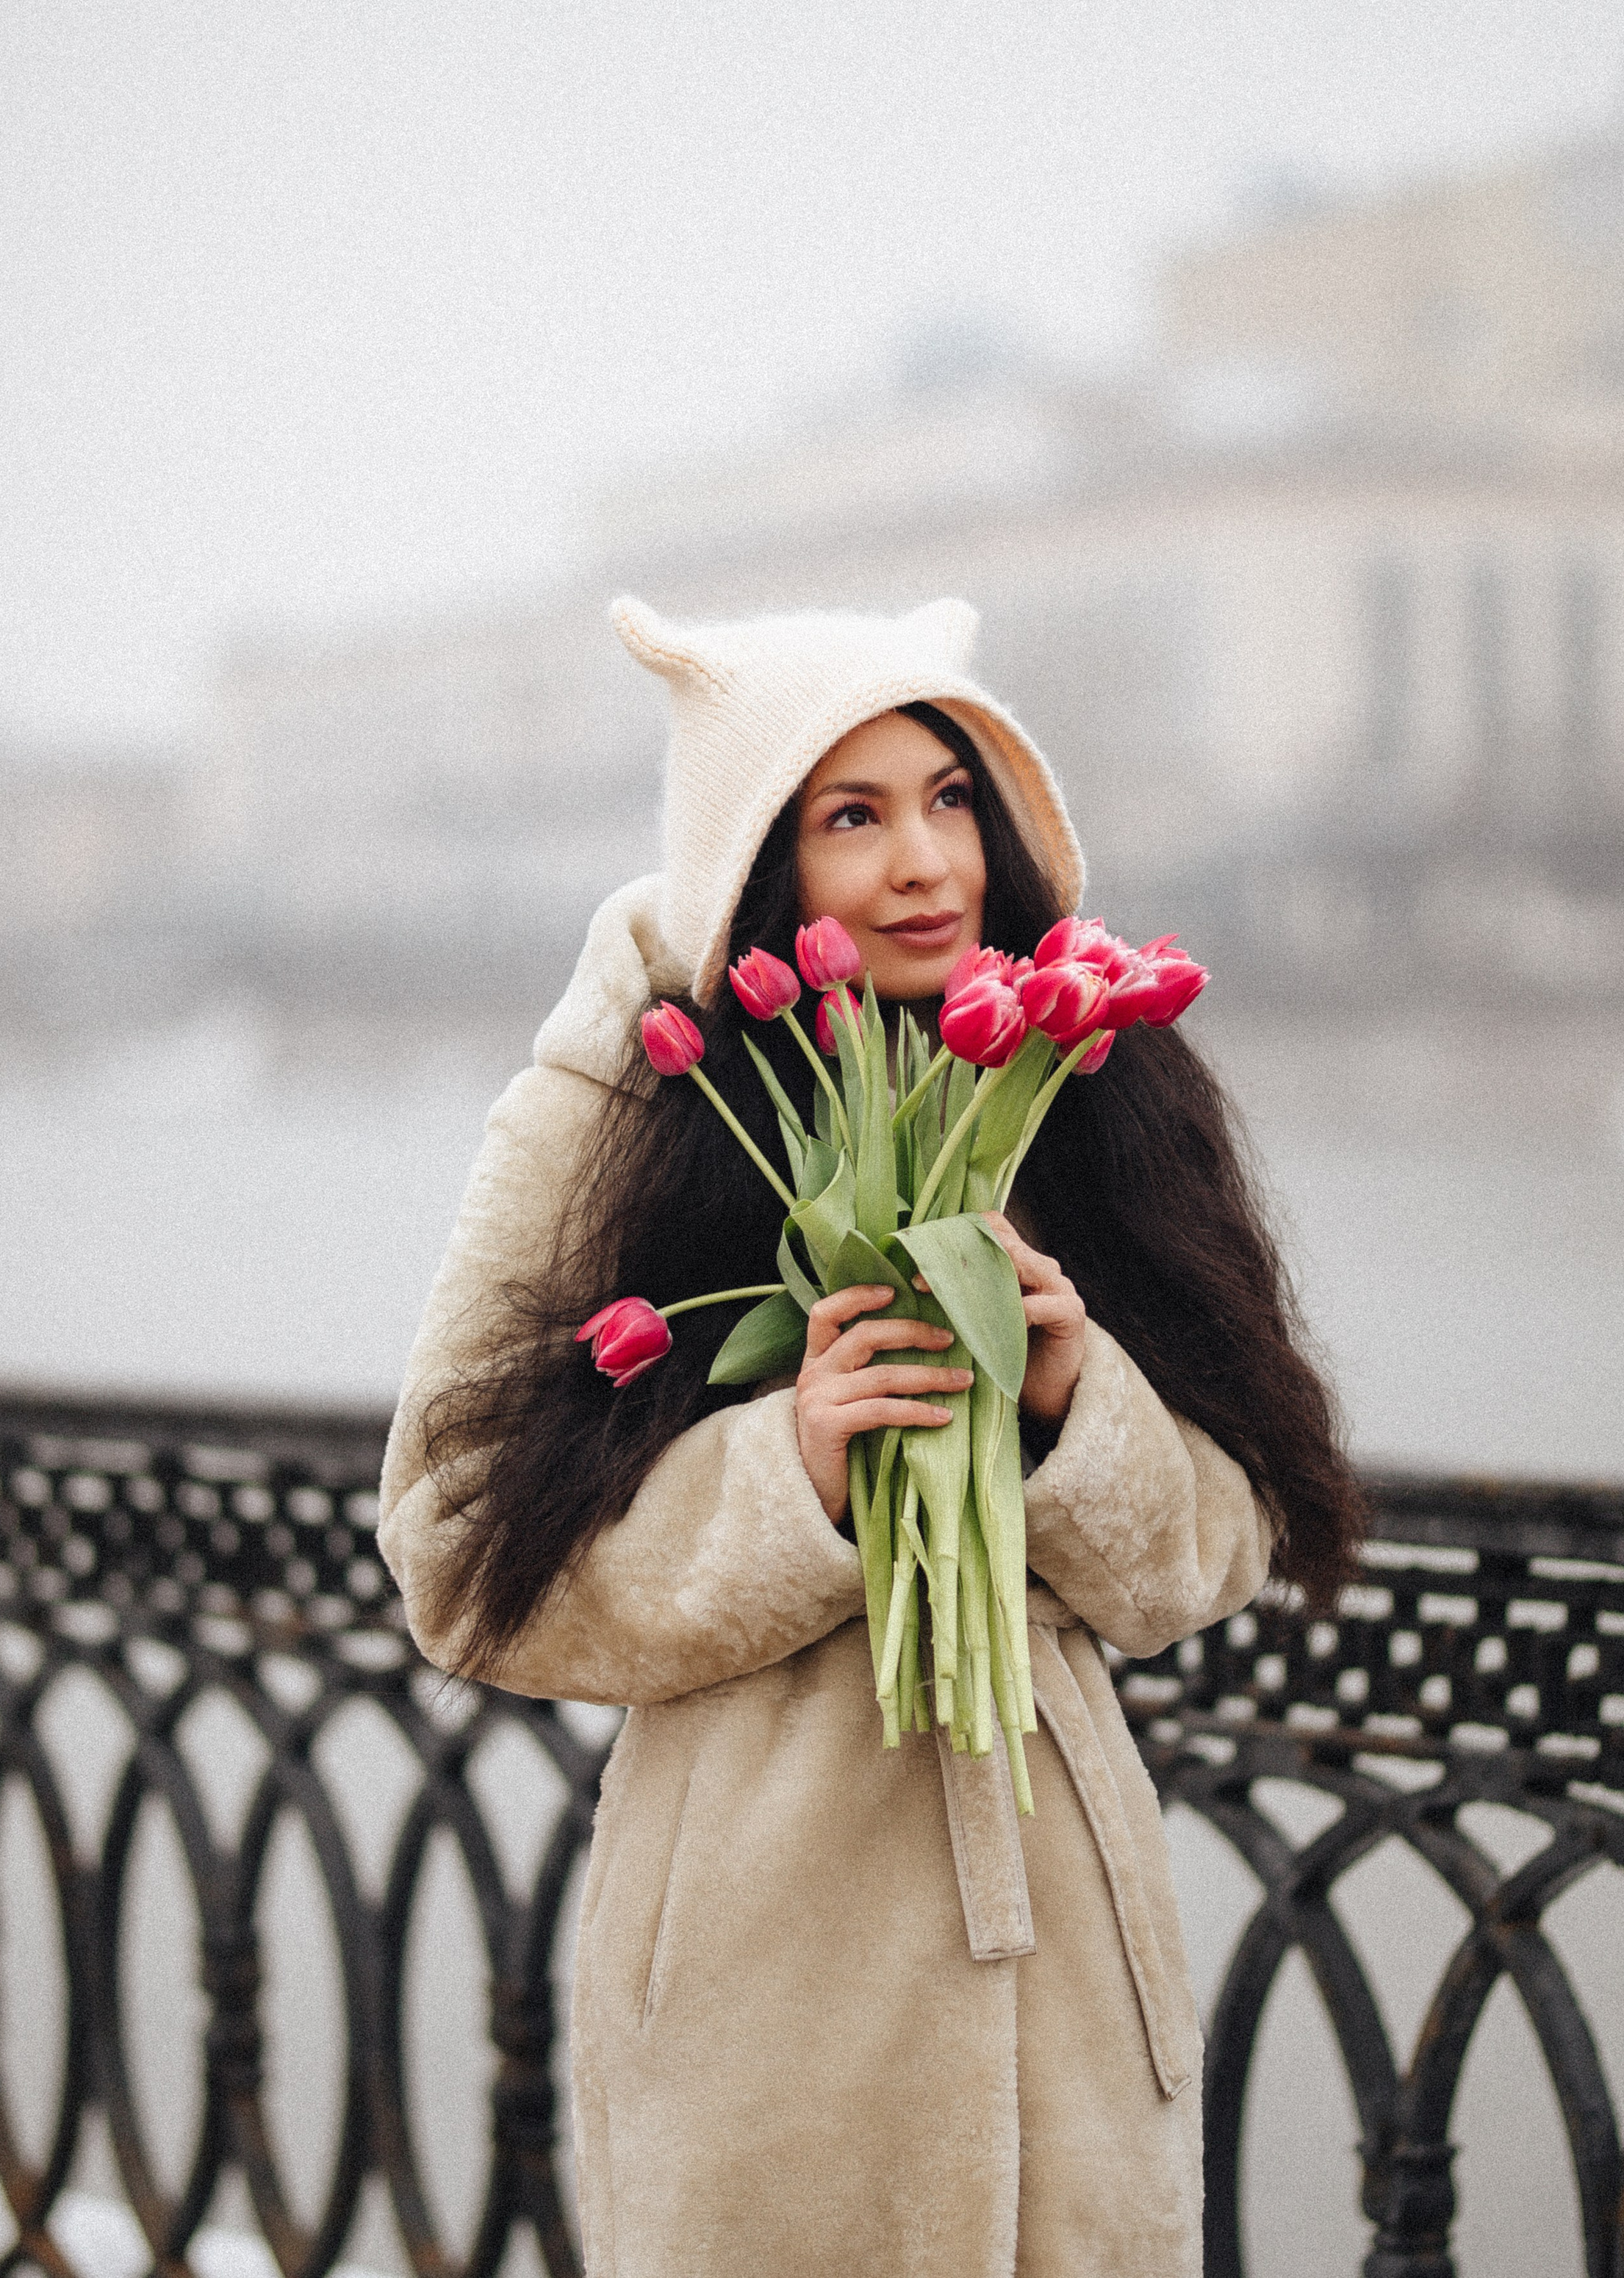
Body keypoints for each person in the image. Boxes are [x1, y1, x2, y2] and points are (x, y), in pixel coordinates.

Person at [378, 593, 1364, 2278]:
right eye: (853, 816)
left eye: (951, 795)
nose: (926, 862)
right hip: (760, 1996)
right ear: (759, 863)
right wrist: (795, 1471)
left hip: (1067, 1988)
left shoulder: (1094, 1081)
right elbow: (460, 1558)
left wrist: (1068, 1403)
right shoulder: (622, 1111)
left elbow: (1230, 1534)